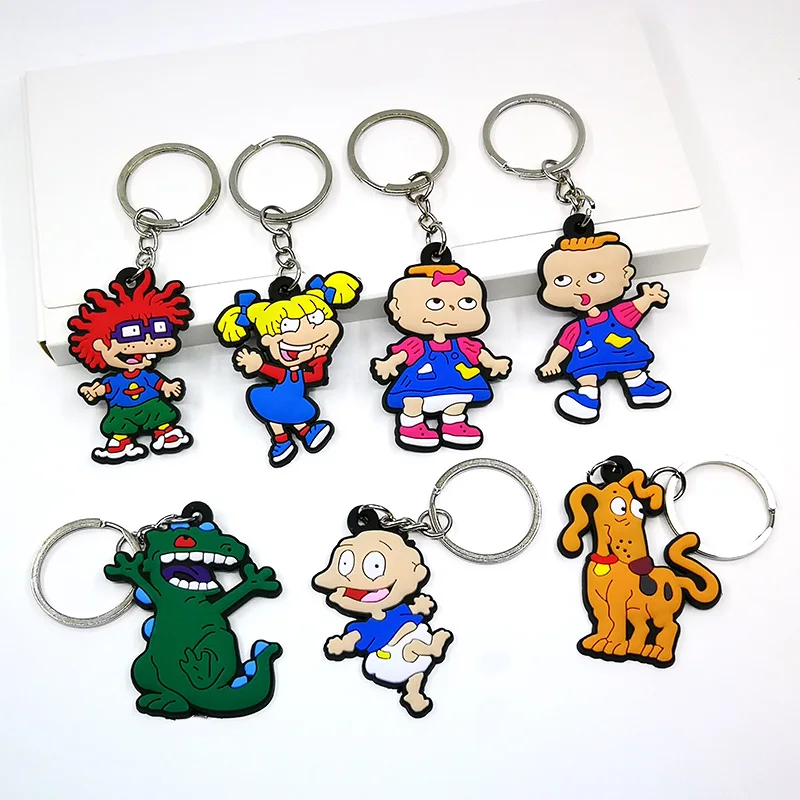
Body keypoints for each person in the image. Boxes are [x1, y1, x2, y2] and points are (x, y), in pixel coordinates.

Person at [215, 272, 361, 468]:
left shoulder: (300, 370)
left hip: (290, 398)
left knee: (285, 415)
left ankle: (296, 437)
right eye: (288, 326)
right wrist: (258, 366)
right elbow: (277, 373)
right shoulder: (287, 371)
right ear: (267, 341)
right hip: (274, 396)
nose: (308, 331)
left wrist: (319, 358)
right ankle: (289, 439)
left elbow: (315, 376)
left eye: (316, 319)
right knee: (277, 416)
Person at [313, 524, 453, 718]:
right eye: (346, 565)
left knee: (417, 674)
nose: (359, 581)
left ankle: (413, 694)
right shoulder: (367, 625)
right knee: (412, 649)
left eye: (375, 566)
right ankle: (432, 648)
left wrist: (419, 607)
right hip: (388, 655)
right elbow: (356, 636)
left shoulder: (397, 611)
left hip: (408, 644)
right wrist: (344, 643)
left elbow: (411, 611)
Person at [371, 259, 511, 450]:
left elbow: (479, 354)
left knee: (459, 399)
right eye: (436, 303)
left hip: (458, 379)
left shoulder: (463, 343)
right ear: (396, 309)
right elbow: (402, 354)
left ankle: (454, 425)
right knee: (413, 400)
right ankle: (411, 426)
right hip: (420, 381)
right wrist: (389, 364)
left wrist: (493, 363)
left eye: (467, 302)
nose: (451, 309)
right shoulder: (417, 343)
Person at [536, 230, 670, 423]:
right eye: (563, 280)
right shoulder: (575, 328)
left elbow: (637, 306)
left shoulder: (618, 313)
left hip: (624, 354)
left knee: (632, 368)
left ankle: (641, 388)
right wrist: (553, 363)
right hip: (588, 361)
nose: (579, 285)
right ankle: (586, 400)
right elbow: (563, 347)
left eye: (594, 276)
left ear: (626, 275)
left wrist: (649, 297)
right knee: (586, 377)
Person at [67, 268, 193, 463]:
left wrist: (168, 387)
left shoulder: (147, 375)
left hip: (151, 404)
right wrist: (94, 391)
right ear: (100, 345)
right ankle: (120, 443)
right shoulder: (114, 380)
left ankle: (165, 433)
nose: (148, 341)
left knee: (160, 415)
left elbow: (158, 383)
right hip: (122, 410)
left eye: (158, 330)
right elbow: (105, 388)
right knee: (120, 424)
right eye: (130, 333)